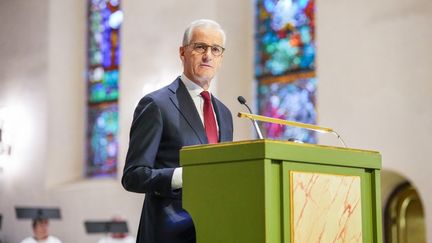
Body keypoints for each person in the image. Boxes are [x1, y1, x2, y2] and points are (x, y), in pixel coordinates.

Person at [122, 19, 233, 243]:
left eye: (215, 49)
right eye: (200, 47)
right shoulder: (156, 104)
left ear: (221, 57)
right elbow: (133, 176)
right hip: (168, 233)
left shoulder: (225, 113)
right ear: (183, 52)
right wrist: (181, 176)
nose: (208, 55)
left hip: (214, 230)